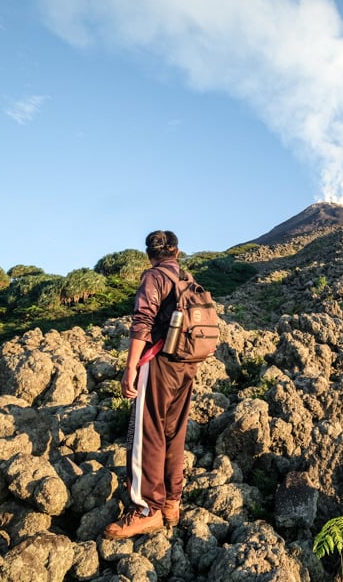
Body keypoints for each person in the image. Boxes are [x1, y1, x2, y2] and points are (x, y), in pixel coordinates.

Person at [104, 230, 200, 539]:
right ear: (177, 251)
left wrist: (130, 367)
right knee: (174, 432)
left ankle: (147, 510)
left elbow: (142, 322)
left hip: (158, 362)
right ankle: (172, 502)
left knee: (148, 434)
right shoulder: (187, 277)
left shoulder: (153, 277)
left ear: (150, 254)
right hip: (187, 364)